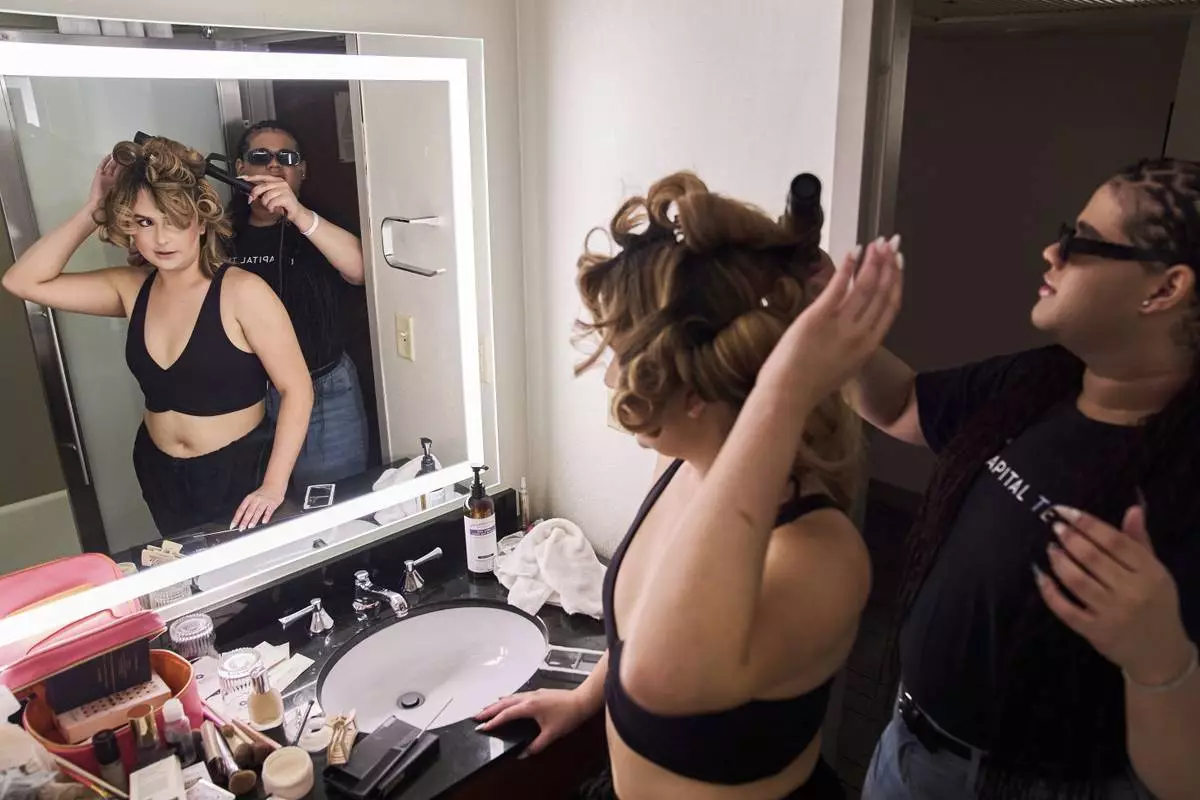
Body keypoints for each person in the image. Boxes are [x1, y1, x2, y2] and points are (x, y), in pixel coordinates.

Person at [476, 172, 904, 799]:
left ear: (696, 392)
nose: (609, 379)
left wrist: (786, 388)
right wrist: (588, 699)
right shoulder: (681, 461)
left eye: (622, 355)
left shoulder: (819, 559)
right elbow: (640, 631)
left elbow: (660, 674)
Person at [856, 159, 1200, 799]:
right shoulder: (1039, 383)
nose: (1051, 251)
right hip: (909, 752)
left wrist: (1159, 659)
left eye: (1081, 240)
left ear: (1164, 289)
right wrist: (833, 321)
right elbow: (901, 404)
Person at [1, 137, 313, 535]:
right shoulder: (130, 288)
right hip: (159, 468)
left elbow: (297, 388)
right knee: (192, 586)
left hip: (239, 473)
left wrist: (273, 485)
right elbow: (23, 281)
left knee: (258, 591)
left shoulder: (243, 293)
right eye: (147, 222)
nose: (162, 238)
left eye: (176, 220)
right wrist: (95, 211)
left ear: (201, 223)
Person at [229, 119, 370, 489]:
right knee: (261, 510)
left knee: (337, 505)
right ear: (240, 168)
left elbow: (361, 272)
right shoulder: (220, 233)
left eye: (286, 158)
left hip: (326, 391)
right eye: (260, 157)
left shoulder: (321, 223)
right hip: (247, 397)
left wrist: (299, 215)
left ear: (301, 171)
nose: (274, 166)